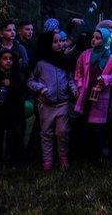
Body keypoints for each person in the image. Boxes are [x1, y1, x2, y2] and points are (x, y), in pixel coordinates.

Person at [28, 31, 76, 171]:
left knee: (62, 132)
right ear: (47, 44)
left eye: (60, 41)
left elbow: (70, 79)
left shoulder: (65, 61)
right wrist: (41, 88)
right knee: (46, 133)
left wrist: (73, 89)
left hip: (63, 103)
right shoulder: (40, 63)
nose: (59, 44)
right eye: (55, 42)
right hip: (46, 105)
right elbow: (30, 81)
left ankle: (63, 158)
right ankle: (47, 161)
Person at [73, 27, 112, 166]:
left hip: (101, 96)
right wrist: (81, 86)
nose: (94, 40)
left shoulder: (111, 58)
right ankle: (83, 154)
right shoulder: (85, 55)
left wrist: (105, 79)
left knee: (99, 126)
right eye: (93, 37)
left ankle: (98, 154)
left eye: (98, 38)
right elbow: (78, 73)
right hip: (86, 94)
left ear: (104, 40)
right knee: (84, 124)